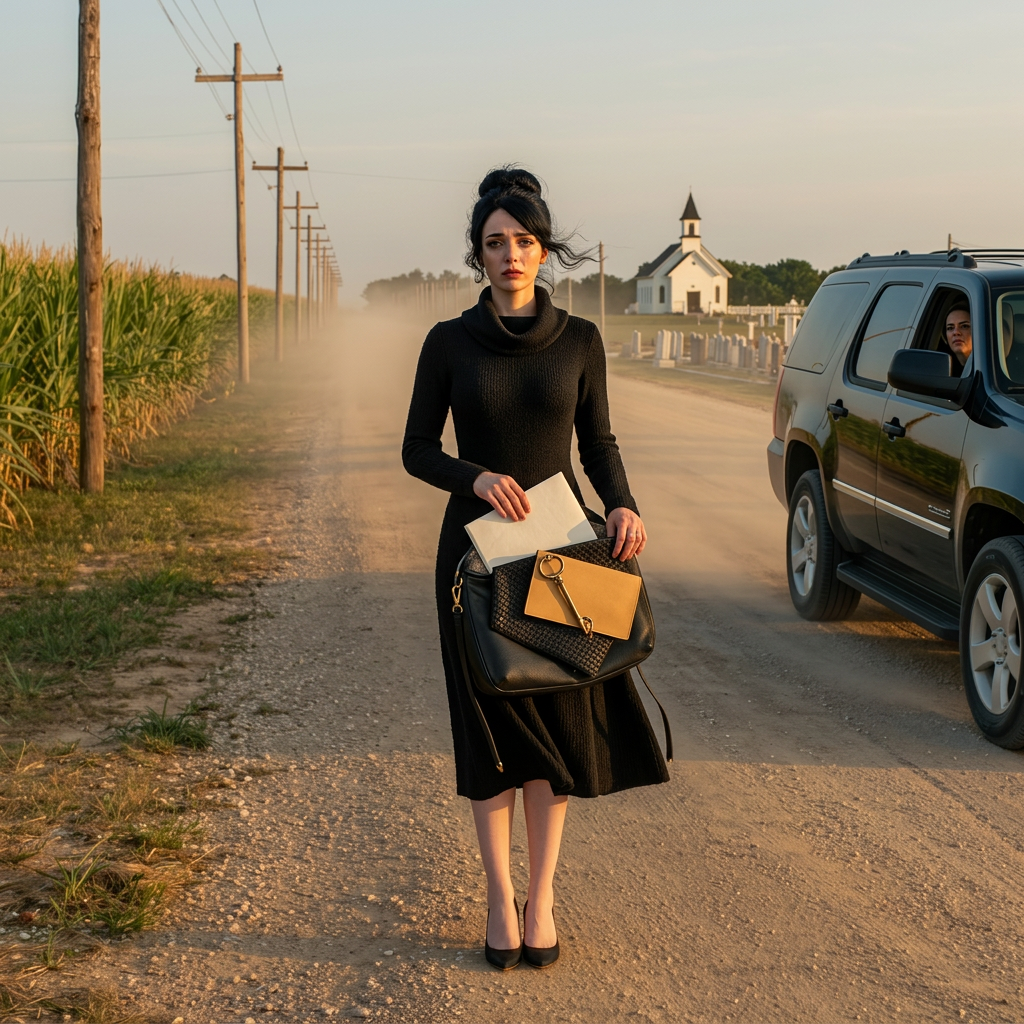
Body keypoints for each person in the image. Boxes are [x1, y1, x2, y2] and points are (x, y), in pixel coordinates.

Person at [402, 167, 670, 971]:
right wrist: (474, 477)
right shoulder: (447, 343)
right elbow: (417, 450)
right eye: (494, 242)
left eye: (523, 241)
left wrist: (620, 505)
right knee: (489, 735)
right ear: (477, 255)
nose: (509, 254)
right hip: (475, 561)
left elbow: (599, 444)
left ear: (544, 249)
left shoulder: (581, 341)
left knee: (553, 733)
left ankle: (542, 896)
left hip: (560, 556)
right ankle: (496, 895)